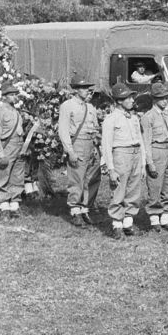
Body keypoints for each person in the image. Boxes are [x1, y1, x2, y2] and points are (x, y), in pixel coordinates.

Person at [101, 82, 148, 239]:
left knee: (134, 190)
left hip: (135, 154)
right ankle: (117, 225)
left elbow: (140, 140)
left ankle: (128, 223)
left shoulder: (134, 118)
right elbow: (106, 145)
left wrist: (143, 163)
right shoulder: (111, 119)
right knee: (119, 190)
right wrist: (111, 169)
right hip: (120, 154)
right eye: (128, 98)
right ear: (119, 101)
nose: (132, 100)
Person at [57, 75, 101, 227]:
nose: (87, 90)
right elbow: (63, 130)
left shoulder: (90, 107)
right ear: (75, 90)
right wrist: (70, 152)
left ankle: (85, 208)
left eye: (88, 87)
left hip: (91, 144)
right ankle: (75, 210)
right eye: (83, 88)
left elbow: (95, 128)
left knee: (92, 178)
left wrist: (96, 146)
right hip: (77, 144)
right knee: (77, 178)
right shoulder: (67, 106)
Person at [141, 81, 168, 233]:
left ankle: (165, 218)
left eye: (166, 97)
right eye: (161, 98)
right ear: (154, 99)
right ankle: (154, 219)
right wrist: (149, 162)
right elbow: (146, 141)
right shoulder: (148, 117)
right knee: (155, 185)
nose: (165, 100)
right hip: (157, 150)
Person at [0, 82, 27, 219]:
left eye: (16, 94)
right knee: (3, 175)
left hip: (19, 146)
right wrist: (1, 154)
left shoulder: (16, 112)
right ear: (4, 96)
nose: (15, 97)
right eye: (11, 95)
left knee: (17, 176)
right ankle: (4, 206)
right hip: (7, 147)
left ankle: (14, 206)